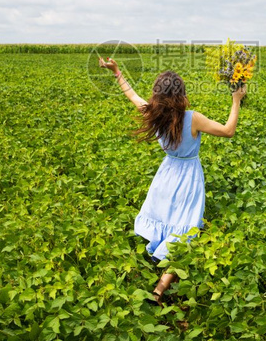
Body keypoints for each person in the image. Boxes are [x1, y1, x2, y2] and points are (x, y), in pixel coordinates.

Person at [99, 56, 247, 305]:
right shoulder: (193, 118)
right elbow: (228, 131)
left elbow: (131, 95)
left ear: (158, 95)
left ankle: (154, 262)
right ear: (181, 95)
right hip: (188, 179)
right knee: (184, 231)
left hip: (165, 178)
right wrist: (236, 100)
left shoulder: (154, 114)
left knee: (168, 222)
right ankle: (159, 290)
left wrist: (117, 72)